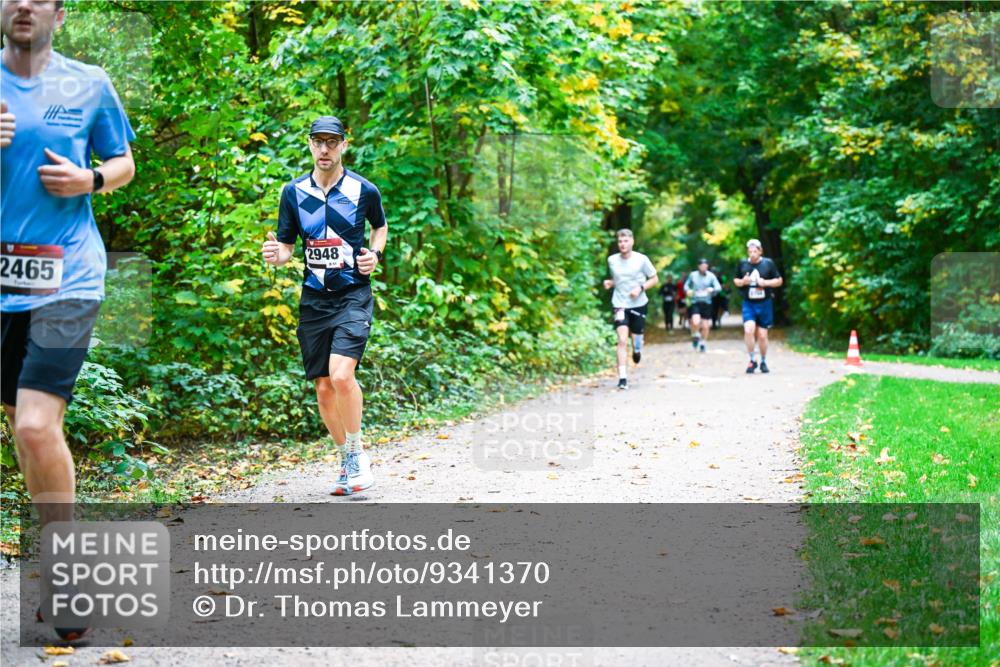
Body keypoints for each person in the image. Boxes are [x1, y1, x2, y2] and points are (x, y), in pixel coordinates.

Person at [1, 0, 136, 640]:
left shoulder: (90, 82)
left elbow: (124, 165)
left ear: (59, 12)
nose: (23, 4)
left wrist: (90, 179)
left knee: (33, 425)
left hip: (69, 275)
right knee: (21, 429)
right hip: (2, 286)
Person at [262, 115, 387, 495]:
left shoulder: (364, 190)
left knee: (342, 376)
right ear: (310, 144)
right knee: (322, 386)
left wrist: (375, 256)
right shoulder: (294, 193)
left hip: (353, 294)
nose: (325, 149)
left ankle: (357, 452)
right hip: (314, 299)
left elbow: (379, 227)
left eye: (332, 142)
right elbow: (286, 246)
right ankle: (345, 460)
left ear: (344, 145)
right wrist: (277, 255)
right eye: (319, 141)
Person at [603, 229, 657, 390]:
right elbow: (620, 280)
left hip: (639, 303)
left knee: (637, 338)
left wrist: (640, 288)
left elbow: (654, 279)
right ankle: (623, 378)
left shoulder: (642, 260)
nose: (622, 244)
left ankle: (638, 349)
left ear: (632, 242)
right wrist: (610, 283)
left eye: (626, 241)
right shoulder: (612, 260)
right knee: (621, 339)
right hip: (619, 303)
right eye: (620, 241)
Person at [733, 239, 783, 373]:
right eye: (750, 251)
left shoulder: (768, 263)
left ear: (760, 251)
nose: (752, 254)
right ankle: (752, 359)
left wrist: (765, 283)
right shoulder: (743, 264)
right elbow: (736, 280)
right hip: (749, 303)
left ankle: (763, 361)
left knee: (762, 335)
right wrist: (743, 282)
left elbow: (779, 281)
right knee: (748, 329)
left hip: (764, 303)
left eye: (755, 251)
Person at [683, 259, 721, 353]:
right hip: (695, 301)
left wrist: (711, 289)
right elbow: (686, 286)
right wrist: (688, 291)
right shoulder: (693, 275)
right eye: (702, 266)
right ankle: (696, 335)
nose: (704, 268)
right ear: (698, 266)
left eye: (705, 266)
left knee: (705, 326)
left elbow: (718, 287)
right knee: (695, 322)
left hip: (707, 303)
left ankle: (703, 343)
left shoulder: (711, 276)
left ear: (707, 266)